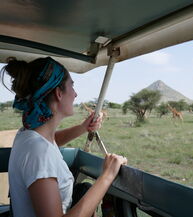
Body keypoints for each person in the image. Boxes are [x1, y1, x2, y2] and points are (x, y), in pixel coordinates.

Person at [1, 57, 127, 217]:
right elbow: (43, 154)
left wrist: (82, 128)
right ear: (59, 93)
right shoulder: (39, 154)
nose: (75, 94)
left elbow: (50, 143)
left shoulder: (27, 135)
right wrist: (107, 176)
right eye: (71, 86)